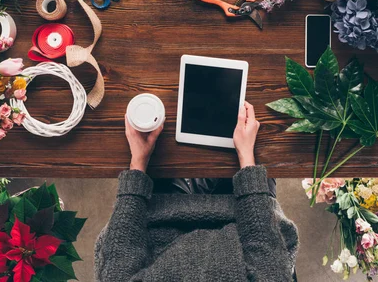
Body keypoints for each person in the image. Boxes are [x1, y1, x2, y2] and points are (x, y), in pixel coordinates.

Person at [95, 102, 299, 281]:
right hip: (240, 218)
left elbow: (118, 264)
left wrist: (138, 161)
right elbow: (264, 250)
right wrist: (246, 157)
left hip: (159, 217)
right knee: (254, 126)